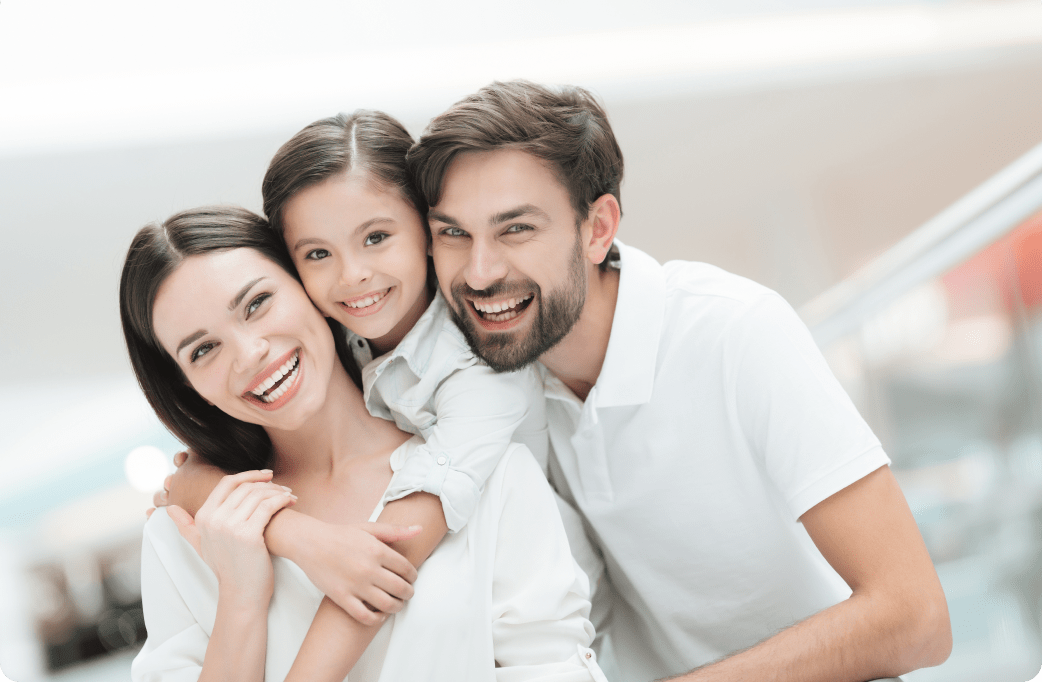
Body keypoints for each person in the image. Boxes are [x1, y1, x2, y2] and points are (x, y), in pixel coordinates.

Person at [405, 80, 954, 682]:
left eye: (516, 230)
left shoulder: (735, 331)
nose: (480, 273)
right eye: (453, 233)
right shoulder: (487, 374)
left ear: (597, 229)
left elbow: (917, 618)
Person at [157, 111, 606, 672]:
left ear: (426, 229)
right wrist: (257, 516)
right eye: (318, 253)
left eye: (376, 237)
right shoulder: (344, 330)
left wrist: (305, 543)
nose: (353, 276)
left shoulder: (481, 375)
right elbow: (187, 479)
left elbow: (383, 559)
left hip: (560, 608)